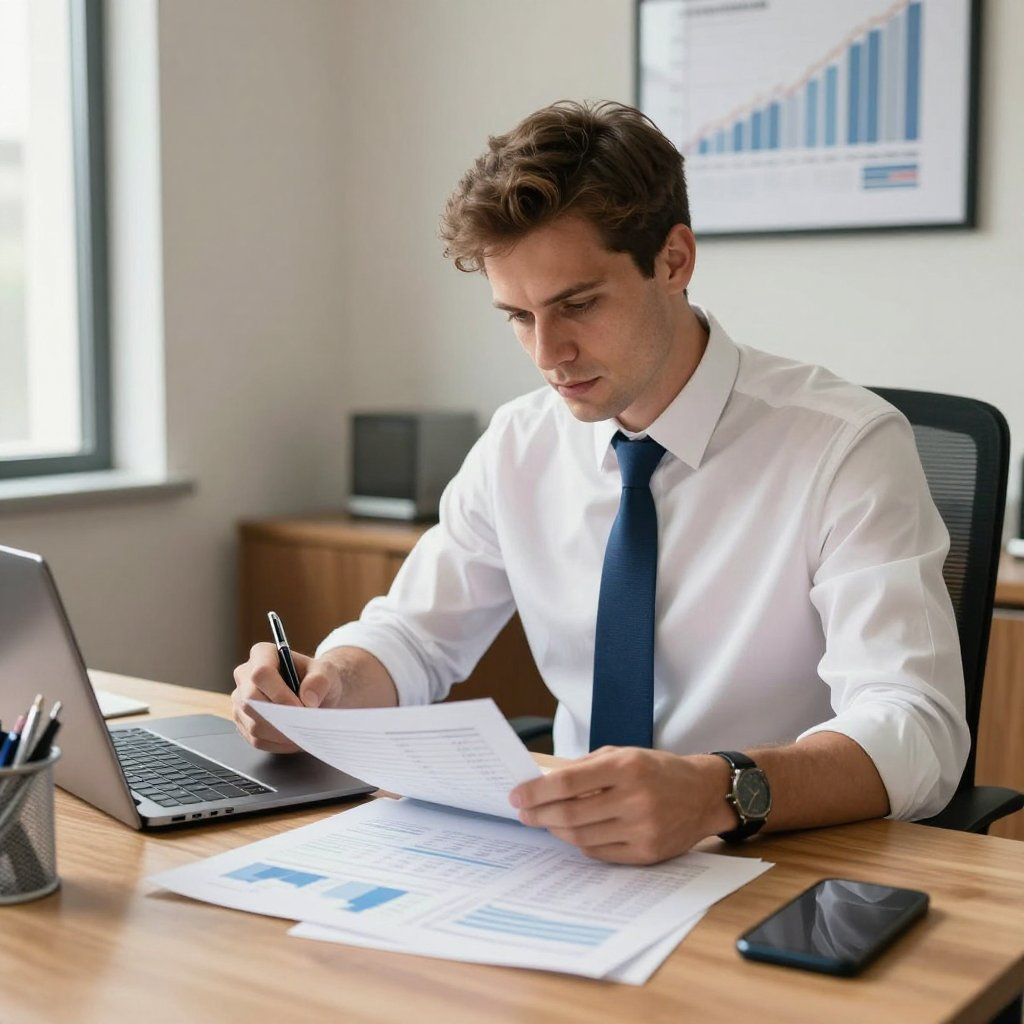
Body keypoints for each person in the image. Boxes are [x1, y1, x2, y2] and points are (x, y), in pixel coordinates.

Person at [232, 100, 968, 865]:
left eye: (577, 304)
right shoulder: (519, 442)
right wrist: (323, 693)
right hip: (574, 859)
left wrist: (715, 792)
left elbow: (918, 727)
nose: (549, 353)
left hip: (779, 858)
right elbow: (415, 636)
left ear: (674, 260)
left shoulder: (843, 445)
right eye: (517, 316)